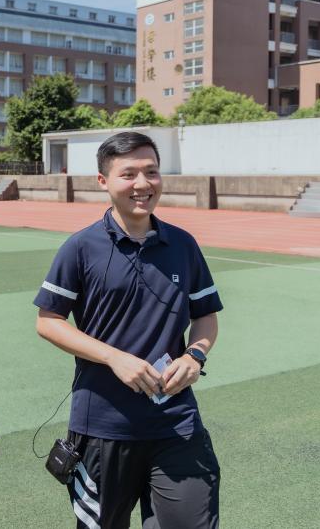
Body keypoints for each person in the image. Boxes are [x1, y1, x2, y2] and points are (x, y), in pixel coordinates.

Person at [34, 132, 222, 529]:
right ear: (103, 181)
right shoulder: (81, 247)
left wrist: (195, 355)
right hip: (103, 427)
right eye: (129, 174)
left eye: (151, 172)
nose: (143, 183)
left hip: (175, 422)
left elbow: (205, 315)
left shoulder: (183, 245)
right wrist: (114, 358)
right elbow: (48, 321)